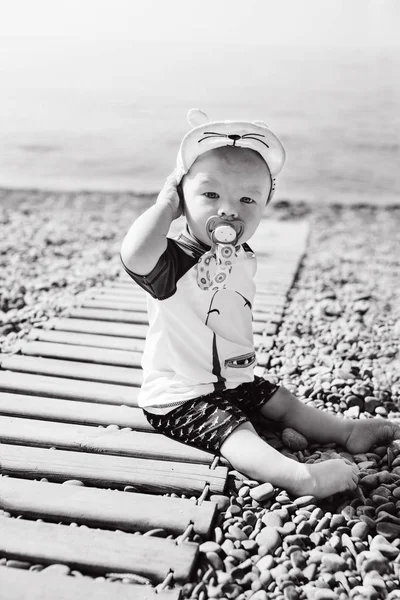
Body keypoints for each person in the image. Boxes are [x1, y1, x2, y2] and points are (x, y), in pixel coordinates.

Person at [120, 109, 400, 499]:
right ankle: (299, 476)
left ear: (267, 201)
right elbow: (134, 253)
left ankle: (346, 431)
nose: (229, 210)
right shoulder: (173, 262)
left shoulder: (240, 254)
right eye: (210, 194)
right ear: (184, 196)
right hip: (180, 394)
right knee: (237, 431)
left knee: (281, 402)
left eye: (247, 198)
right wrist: (165, 206)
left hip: (233, 380)